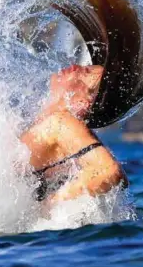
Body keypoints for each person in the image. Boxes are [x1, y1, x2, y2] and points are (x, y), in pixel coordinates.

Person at [20, 64, 128, 206]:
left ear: (82, 103)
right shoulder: (40, 122)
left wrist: (51, 205)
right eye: (86, 66)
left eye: (85, 73)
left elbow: (110, 171)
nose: (75, 67)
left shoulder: (61, 123)